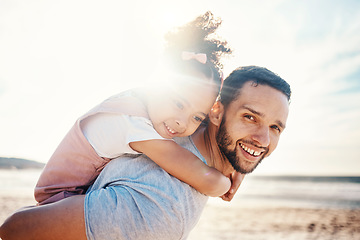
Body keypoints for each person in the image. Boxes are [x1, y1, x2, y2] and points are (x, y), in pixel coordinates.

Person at [0, 65, 291, 240]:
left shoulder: (173, 123)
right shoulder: (160, 211)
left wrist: (238, 164)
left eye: (276, 127)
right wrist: (226, 178)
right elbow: (15, 230)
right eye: (250, 117)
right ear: (217, 112)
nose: (263, 139)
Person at [34, 11, 237, 206]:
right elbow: (204, 179)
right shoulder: (133, 122)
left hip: (81, 191)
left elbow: (215, 127)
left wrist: (239, 168)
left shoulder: (150, 102)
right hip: (60, 198)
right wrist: (227, 182)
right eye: (179, 104)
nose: (181, 122)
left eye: (196, 118)